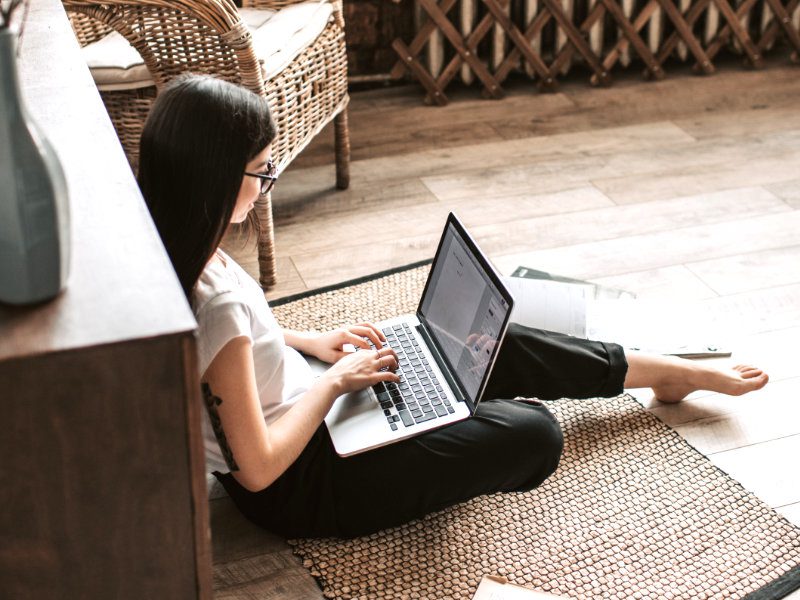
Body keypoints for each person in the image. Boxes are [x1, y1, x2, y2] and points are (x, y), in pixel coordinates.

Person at [138, 74, 769, 539]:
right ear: (219, 177)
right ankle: (441, 412)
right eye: (261, 171)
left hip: (306, 410)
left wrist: (310, 342)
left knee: (488, 342)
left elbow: (232, 349)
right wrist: (333, 386)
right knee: (533, 434)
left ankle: (662, 372)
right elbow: (257, 471)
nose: (267, 181)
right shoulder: (210, 297)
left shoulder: (176, 242)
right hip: (303, 484)